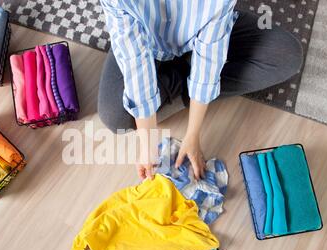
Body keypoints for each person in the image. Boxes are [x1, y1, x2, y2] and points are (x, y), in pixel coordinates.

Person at [98, 0, 303, 180]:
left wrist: (193, 134)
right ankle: (186, 78)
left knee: (287, 55)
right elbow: (136, 63)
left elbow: (210, 58)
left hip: (205, 30)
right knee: (116, 117)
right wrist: (148, 144)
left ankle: (186, 78)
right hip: (147, 44)